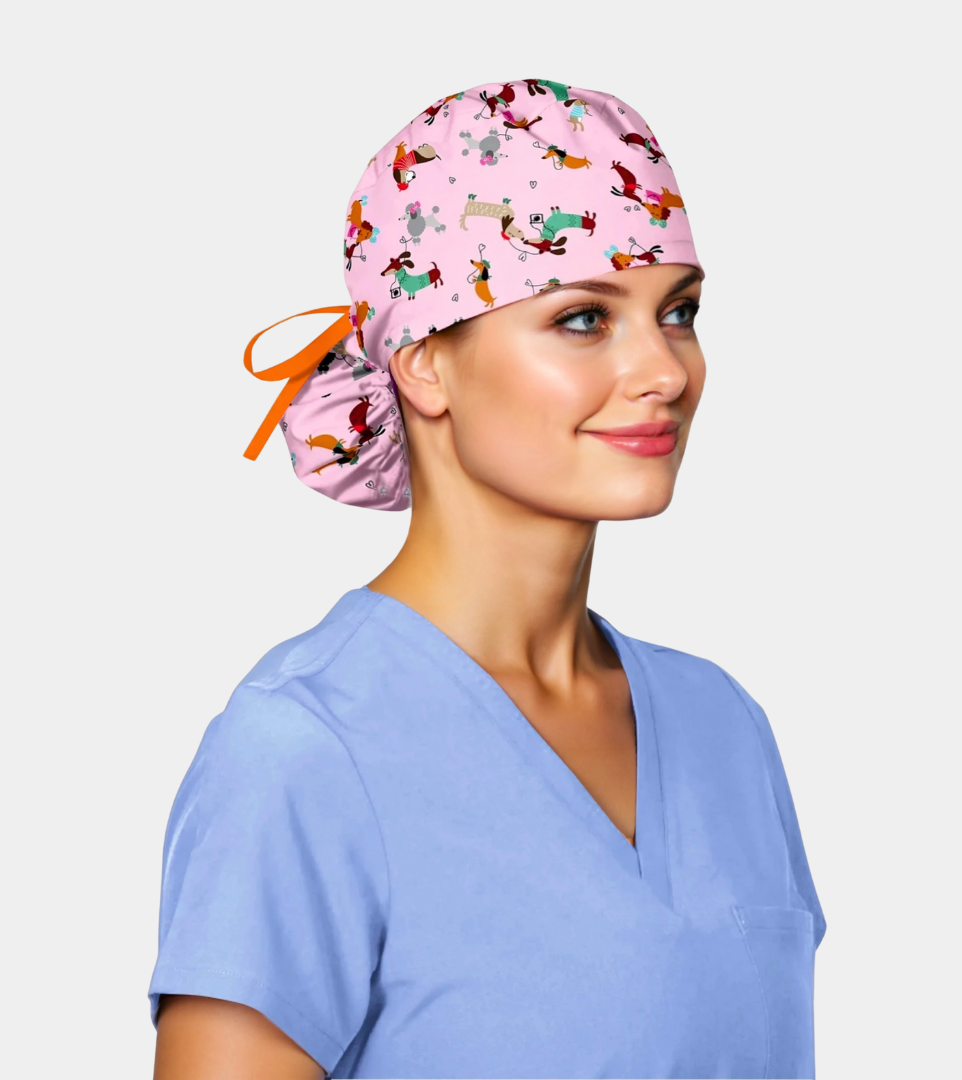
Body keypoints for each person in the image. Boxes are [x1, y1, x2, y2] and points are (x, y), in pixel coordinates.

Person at [148, 79, 826, 1080]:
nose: (668, 370)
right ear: (425, 365)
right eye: (585, 320)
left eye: (677, 312)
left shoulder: (723, 725)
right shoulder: (306, 752)